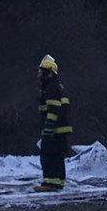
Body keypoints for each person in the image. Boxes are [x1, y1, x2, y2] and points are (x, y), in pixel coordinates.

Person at [35, 54, 72, 192]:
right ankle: (57, 182)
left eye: (41, 71)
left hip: (54, 129)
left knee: (48, 155)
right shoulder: (56, 86)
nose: (39, 74)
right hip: (61, 129)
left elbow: (54, 108)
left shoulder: (50, 87)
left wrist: (48, 126)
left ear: (48, 73)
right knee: (57, 156)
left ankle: (50, 183)